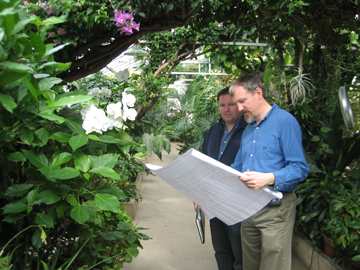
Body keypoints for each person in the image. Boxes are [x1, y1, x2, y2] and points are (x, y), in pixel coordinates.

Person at [229, 74, 309, 270]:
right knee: (250, 265)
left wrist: (270, 178)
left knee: (274, 266)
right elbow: (237, 167)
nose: (239, 108)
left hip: (276, 210)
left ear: (258, 93)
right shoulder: (248, 128)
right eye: (236, 103)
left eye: (242, 101)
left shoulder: (285, 122)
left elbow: (300, 168)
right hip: (249, 209)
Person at [195, 87, 247, 270]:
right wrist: (198, 194)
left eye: (231, 104)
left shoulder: (249, 131)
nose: (226, 109)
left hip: (238, 204)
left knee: (240, 255)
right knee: (221, 251)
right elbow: (202, 164)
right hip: (213, 202)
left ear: (239, 105)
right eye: (222, 105)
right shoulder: (213, 131)